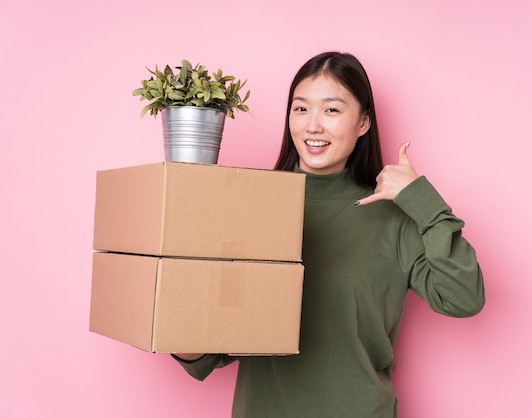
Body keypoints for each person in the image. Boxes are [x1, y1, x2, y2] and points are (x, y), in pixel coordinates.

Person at [172, 51, 485, 418]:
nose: (312, 126)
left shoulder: (393, 218)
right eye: (301, 109)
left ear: (364, 122)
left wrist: (422, 200)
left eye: (331, 110)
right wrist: (182, 332)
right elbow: (220, 340)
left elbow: (464, 297)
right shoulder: (252, 204)